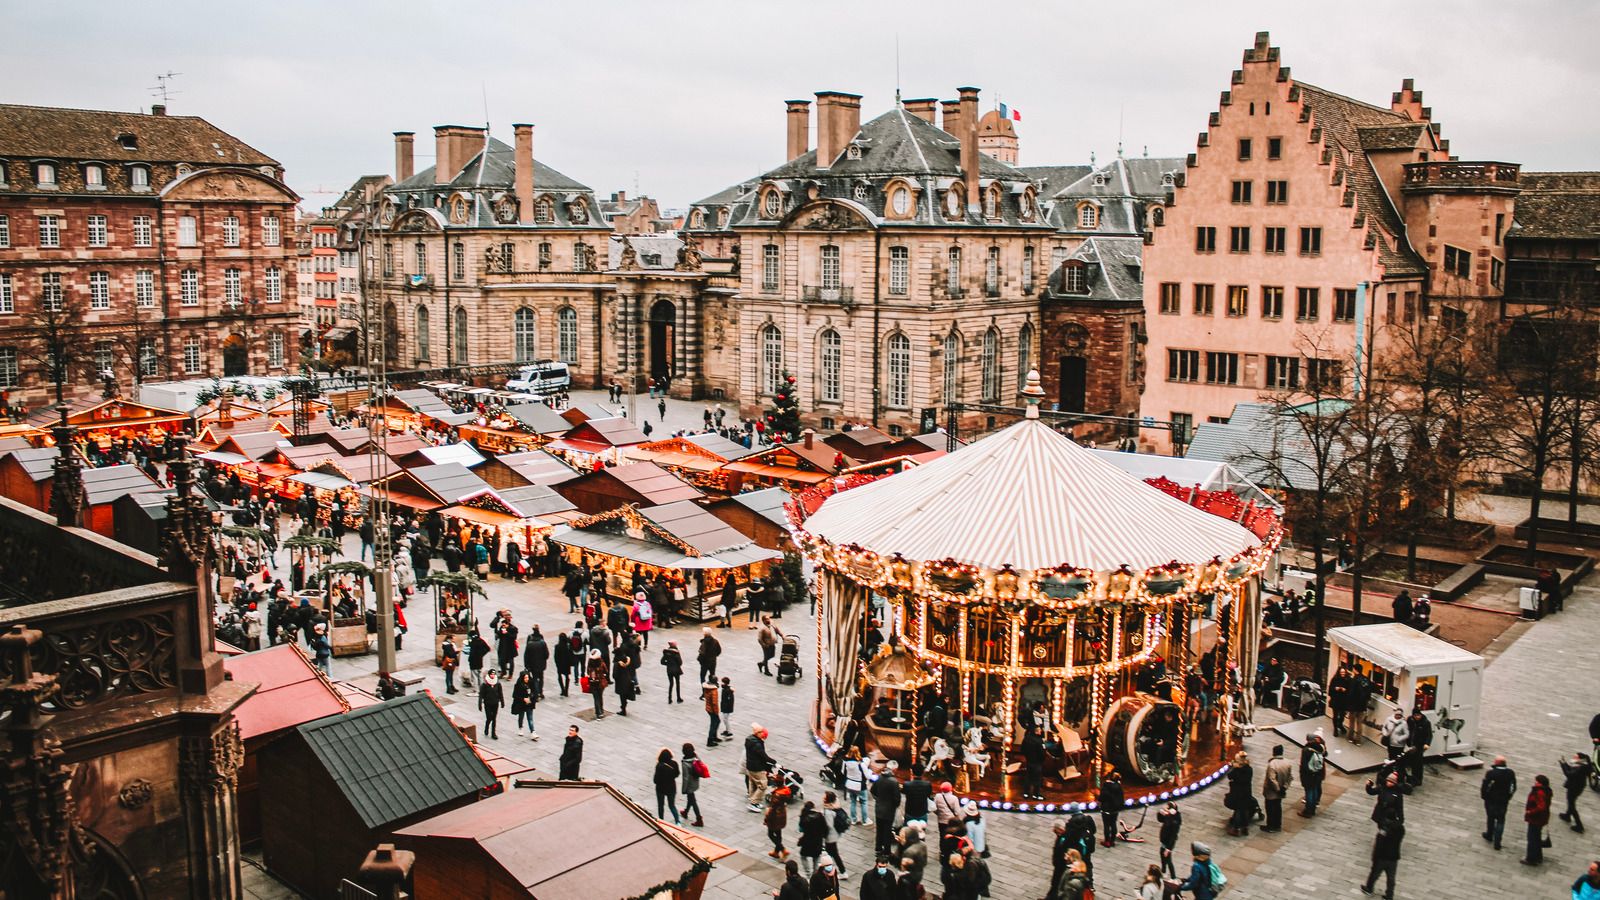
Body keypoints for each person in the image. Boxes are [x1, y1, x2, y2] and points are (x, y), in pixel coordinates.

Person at [1481, 755, 1518, 850]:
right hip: (1503, 801)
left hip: (1491, 800)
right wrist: (1509, 797)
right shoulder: (1510, 773)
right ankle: (1498, 842)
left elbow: (1485, 786)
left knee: (1491, 817)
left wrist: (1484, 796)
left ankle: (1489, 834)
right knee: (1501, 820)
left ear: (1496, 763)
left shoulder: (1491, 773)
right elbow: (1513, 787)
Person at [1361, 820, 1404, 899]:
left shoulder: (1384, 830)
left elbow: (1379, 843)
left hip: (1382, 857)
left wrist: (1374, 856)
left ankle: (1369, 888)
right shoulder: (1400, 829)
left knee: (1374, 874)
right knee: (1391, 878)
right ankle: (1389, 895)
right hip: (1394, 858)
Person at [1262, 744, 1294, 832]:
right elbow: (1290, 777)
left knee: (1270, 808)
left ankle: (1271, 826)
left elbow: (1271, 779)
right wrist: (1284, 788)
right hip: (1281, 790)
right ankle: (1277, 825)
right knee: (1278, 808)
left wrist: (1278, 789)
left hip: (1271, 792)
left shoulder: (1272, 764)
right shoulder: (1287, 763)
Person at [871, 764, 902, 856]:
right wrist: (895, 805)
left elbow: (873, 790)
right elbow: (897, 798)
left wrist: (878, 799)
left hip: (879, 808)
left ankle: (878, 848)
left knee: (879, 829)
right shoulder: (894, 782)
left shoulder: (879, 778)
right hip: (889, 810)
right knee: (887, 830)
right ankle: (887, 850)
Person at [746, 724, 777, 811]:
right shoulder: (757, 745)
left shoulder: (750, 740)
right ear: (758, 733)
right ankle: (753, 803)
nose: (763, 736)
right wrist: (774, 762)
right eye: (762, 734)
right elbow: (764, 756)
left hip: (750, 766)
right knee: (763, 785)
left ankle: (754, 800)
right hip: (757, 768)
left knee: (753, 783)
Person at [1525, 773, 1554, 865]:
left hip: (1535, 819)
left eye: (1536, 781)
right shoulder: (1546, 791)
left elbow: (1541, 807)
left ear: (1540, 783)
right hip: (1541, 819)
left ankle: (1531, 859)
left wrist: (1530, 812)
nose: (1535, 783)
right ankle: (1538, 856)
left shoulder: (1539, 792)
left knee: (1532, 838)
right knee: (1537, 838)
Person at [1224, 751, 1255, 836]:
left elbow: (1230, 776)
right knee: (1244, 810)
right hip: (1246, 792)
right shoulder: (1249, 769)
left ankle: (1236, 829)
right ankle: (1245, 828)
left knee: (1238, 810)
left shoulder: (1238, 770)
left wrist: (1235, 768)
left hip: (1238, 793)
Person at [1299, 730, 1328, 817]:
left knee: (1309, 792)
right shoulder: (1320, 748)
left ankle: (1308, 811)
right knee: (1315, 790)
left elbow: (1304, 764)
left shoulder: (1306, 750)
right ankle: (1313, 808)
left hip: (1308, 774)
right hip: (1318, 773)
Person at [822, 791, 850, 878]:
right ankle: (830, 868)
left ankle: (842, 872)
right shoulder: (835, 807)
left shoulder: (828, 811)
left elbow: (829, 825)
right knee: (831, 853)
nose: (823, 798)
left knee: (833, 854)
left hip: (830, 836)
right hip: (834, 835)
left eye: (824, 797)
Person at [796, 800, 827, 877]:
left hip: (807, 841)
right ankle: (815, 875)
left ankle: (808, 874)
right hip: (817, 842)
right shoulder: (820, 816)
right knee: (816, 859)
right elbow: (825, 828)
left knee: (803, 856)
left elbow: (800, 829)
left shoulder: (804, 817)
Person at [1560, 752, 1589, 833]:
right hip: (1576, 786)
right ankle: (1567, 815)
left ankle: (1579, 825)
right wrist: (1564, 763)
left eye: (1575, 757)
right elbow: (1570, 769)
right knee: (1571, 802)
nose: (1573, 757)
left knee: (1571, 804)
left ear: (1580, 759)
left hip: (1574, 788)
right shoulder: (1581, 764)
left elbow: (1569, 774)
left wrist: (1563, 765)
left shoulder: (1580, 768)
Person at [896, 822, 927, 894]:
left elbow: (901, 865)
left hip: (909, 877)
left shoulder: (908, 852)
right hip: (919, 873)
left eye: (902, 837)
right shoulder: (922, 844)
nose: (900, 838)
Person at [613, 634, 639, 716]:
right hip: (627, 679)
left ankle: (623, 709)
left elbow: (615, 675)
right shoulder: (626, 659)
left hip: (620, 681)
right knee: (625, 694)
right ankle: (624, 706)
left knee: (622, 696)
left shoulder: (617, 663)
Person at [654, 747, 682, 825]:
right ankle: (677, 821)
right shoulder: (674, 763)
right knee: (672, 805)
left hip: (661, 789)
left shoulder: (659, 766)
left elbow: (655, 780)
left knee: (661, 806)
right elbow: (677, 774)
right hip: (671, 788)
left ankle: (661, 822)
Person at [681, 742, 706, 827]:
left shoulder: (685, 763)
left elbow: (685, 778)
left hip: (689, 785)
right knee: (691, 798)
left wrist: (684, 789)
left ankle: (699, 819)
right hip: (695, 782)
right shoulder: (695, 757)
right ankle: (686, 812)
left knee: (693, 800)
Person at [842, 746, 869, 824]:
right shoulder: (861, 764)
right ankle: (865, 820)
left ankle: (853, 819)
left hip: (850, 784)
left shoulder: (846, 761)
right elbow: (867, 776)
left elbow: (843, 772)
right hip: (860, 785)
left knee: (853, 801)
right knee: (864, 802)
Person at [1098, 770, 1125, 847]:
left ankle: (1107, 841)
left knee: (1106, 825)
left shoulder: (1106, 786)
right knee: (1113, 824)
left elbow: (1102, 797)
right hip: (1115, 810)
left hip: (1106, 809)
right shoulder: (1119, 787)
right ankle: (1112, 840)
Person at [1020, 726, 1046, 800]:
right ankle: (1036, 795)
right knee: (1037, 779)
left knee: (1028, 776)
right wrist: (1042, 760)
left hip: (1029, 761)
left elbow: (1022, 749)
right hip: (1037, 762)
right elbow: (1042, 752)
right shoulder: (1039, 740)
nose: (1041, 731)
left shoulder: (1026, 738)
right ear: (1036, 731)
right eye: (1039, 730)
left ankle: (1026, 793)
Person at [510, 670, 538, 740]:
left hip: (529, 704)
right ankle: (520, 727)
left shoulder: (531, 683)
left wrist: (531, 698)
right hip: (521, 704)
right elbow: (515, 695)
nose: (527, 679)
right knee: (521, 716)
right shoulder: (518, 685)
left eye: (527, 677)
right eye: (525, 678)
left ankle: (532, 731)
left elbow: (535, 692)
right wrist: (523, 699)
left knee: (530, 718)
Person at [523, 626, 549, 700]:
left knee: (535, 679)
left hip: (532, 665)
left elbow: (526, 655)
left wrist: (526, 665)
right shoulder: (542, 643)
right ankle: (540, 692)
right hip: (541, 664)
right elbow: (546, 654)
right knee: (541, 678)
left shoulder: (530, 643)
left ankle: (536, 694)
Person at [477, 669, 504, 740]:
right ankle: (486, 728)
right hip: (487, 703)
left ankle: (493, 733)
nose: (492, 675)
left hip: (495, 703)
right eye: (491, 674)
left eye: (493, 674)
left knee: (494, 718)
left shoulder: (497, 683)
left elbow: (500, 693)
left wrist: (502, 702)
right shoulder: (485, 684)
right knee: (489, 717)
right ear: (489, 675)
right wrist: (479, 704)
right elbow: (481, 695)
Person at [764, 791, 790, 860]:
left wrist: (766, 820)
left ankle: (783, 849)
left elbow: (770, 813)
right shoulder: (783, 801)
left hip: (773, 821)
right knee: (778, 835)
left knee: (770, 834)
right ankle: (776, 852)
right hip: (780, 819)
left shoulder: (775, 800)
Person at [585, 649, 609, 718]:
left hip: (592, 683)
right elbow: (606, 671)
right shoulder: (601, 663)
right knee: (600, 696)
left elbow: (587, 671)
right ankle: (601, 710)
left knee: (596, 698)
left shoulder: (590, 663)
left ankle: (598, 712)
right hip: (600, 682)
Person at [553, 626, 577, 697]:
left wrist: (557, 664)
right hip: (567, 663)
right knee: (567, 677)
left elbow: (556, 656)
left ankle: (562, 689)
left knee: (559, 676)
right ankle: (566, 690)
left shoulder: (558, 646)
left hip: (560, 664)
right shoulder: (568, 645)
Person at [701, 679, 722, 746]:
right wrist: (716, 712)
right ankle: (710, 739)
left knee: (716, 722)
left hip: (708, 708)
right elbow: (714, 703)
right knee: (715, 723)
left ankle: (714, 737)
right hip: (712, 710)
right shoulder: (714, 690)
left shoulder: (707, 688)